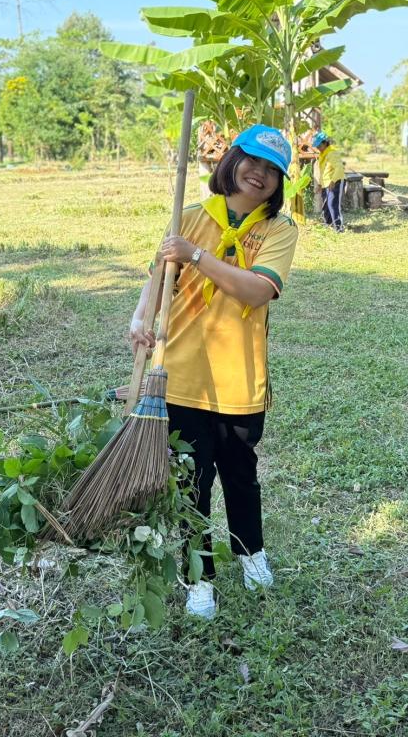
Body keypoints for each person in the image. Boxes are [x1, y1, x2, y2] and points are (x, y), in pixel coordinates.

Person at [129, 124, 299, 620]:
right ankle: (198, 577)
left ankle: (251, 554)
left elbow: (255, 291)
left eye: (272, 170)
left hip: (239, 378)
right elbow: (159, 276)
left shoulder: (278, 231)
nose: (259, 175)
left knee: (241, 477)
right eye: (252, 161)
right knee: (191, 486)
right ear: (231, 162)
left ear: (279, 182)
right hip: (179, 375)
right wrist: (141, 319)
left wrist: (196, 256)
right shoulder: (188, 219)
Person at [312, 131, 345, 231]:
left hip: (335, 182)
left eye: (319, 145)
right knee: (326, 206)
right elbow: (324, 172)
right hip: (325, 184)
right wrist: (319, 184)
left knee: (332, 205)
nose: (318, 147)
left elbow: (339, 168)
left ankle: (338, 228)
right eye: (316, 146)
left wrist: (333, 181)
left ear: (325, 143)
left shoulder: (332, 153)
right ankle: (329, 225)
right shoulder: (323, 154)